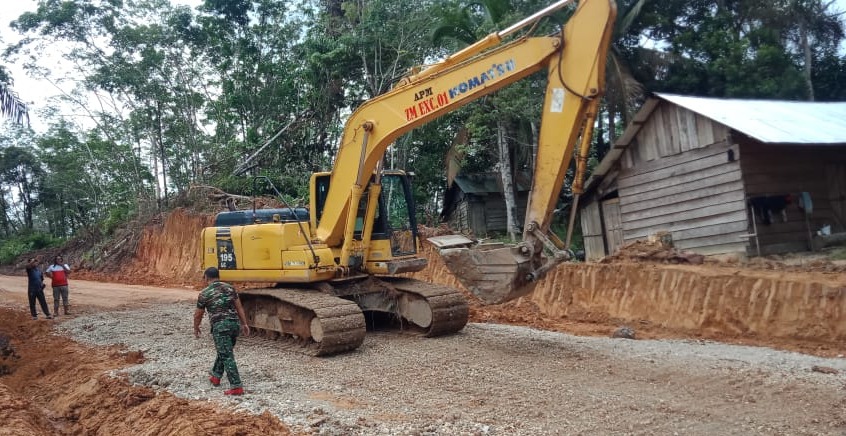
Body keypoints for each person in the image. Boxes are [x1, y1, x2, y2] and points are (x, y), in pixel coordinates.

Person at [193, 267, 250, 396]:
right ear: (218, 276)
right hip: (234, 325)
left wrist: (196, 327)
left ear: (206, 278)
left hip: (220, 327)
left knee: (227, 355)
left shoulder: (204, 293)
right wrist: (244, 323)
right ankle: (216, 376)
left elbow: (198, 314)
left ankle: (236, 386)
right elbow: (239, 306)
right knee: (225, 351)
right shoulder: (230, 288)